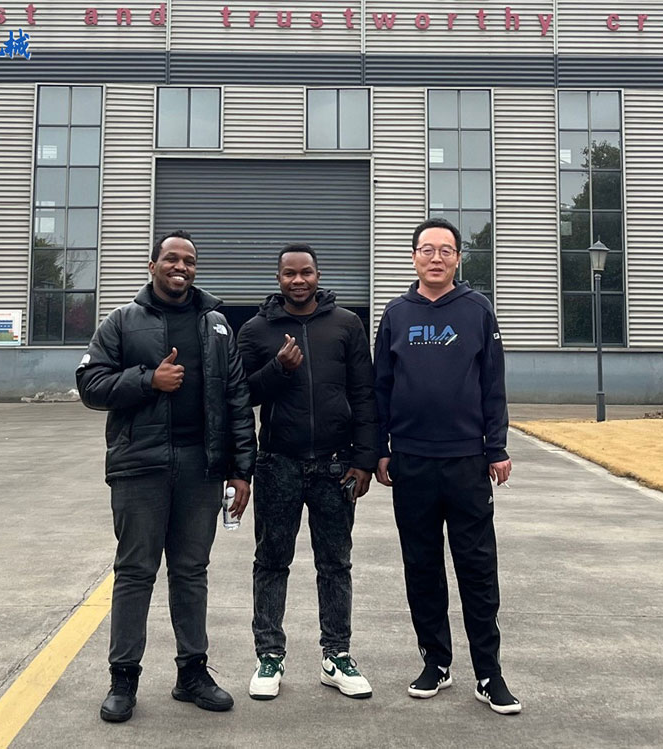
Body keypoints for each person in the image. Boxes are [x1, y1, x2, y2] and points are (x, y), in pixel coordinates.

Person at [76, 229, 256, 722]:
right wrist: (147, 380)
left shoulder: (216, 324)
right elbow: (89, 384)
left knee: (192, 571)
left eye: (189, 260)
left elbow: (236, 397)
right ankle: (123, 679)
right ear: (152, 265)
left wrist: (241, 469)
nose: (181, 267)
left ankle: (192, 673)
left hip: (201, 468)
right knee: (136, 572)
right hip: (140, 466)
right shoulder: (122, 321)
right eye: (172, 258)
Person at [373, 217, 521, 715]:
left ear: (458, 258)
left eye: (446, 250)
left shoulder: (477, 310)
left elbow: (493, 384)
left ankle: (489, 673)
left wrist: (496, 448)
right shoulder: (396, 314)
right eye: (427, 249)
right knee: (422, 567)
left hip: (466, 462)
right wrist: (380, 448)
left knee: (476, 569)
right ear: (413, 257)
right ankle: (435, 661)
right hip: (411, 461)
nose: (436, 258)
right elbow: (381, 387)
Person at [236, 244, 377, 700]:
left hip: (336, 464)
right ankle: (269, 656)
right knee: (271, 561)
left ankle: (336, 655)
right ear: (278, 278)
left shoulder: (346, 324)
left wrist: (364, 459)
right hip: (278, 462)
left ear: (318, 275)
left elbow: (364, 393)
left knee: (335, 563)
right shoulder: (256, 330)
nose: (298, 280)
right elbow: (240, 396)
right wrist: (278, 369)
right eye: (289, 274)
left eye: (306, 272)